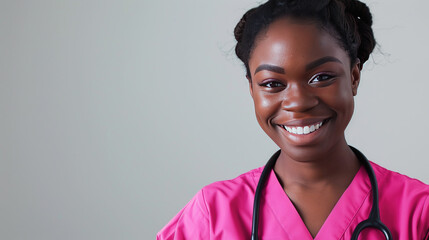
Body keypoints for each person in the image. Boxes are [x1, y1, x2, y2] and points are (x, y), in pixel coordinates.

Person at [156, 0, 429, 239]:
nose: (298, 102)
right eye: (273, 83)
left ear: (354, 77)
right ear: (251, 89)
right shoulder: (211, 217)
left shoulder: (419, 214)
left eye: (322, 77)